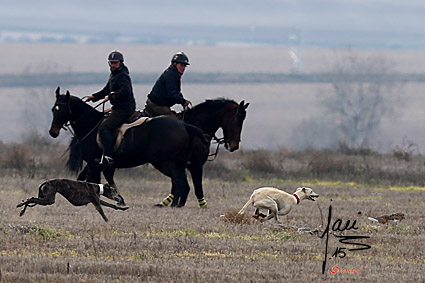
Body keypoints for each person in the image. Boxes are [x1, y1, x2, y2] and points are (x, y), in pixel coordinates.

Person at [86, 50, 136, 166]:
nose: (112, 65)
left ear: (120, 63)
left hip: (124, 109)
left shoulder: (123, 75)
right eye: (111, 63)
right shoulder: (114, 75)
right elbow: (106, 89)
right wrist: (94, 97)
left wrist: (112, 96)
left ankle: (108, 157)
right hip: (118, 107)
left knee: (104, 127)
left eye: (115, 63)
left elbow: (125, 90)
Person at [142, 51, 191, 117]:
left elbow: (176, 92)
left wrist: (182, 100)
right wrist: (183, 101)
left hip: (159, 104)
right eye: (181, 65)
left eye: (185, 66)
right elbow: (172, 95)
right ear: (174, 64)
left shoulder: (173, 74)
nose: (183, 68)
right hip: (156, 105)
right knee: (174, 123)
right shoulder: (171, 75)